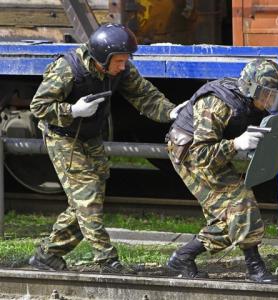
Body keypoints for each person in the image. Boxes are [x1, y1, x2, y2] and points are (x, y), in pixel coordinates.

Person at [29, 23, 183, 273]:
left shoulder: (118, 68)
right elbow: (39, 107)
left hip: (91, 136)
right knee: (87, 199)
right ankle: (107, 261)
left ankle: (48, 254)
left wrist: (171, 111)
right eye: (120, 61)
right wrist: (72, 110)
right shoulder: (67, 70)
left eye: (125, 60)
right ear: (102, 59)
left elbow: (145, 95)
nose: (124, 66)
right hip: (64, 137)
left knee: (89, 200)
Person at [166, 59, 278, 283]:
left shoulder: (252, 102)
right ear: (252, 89)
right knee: (242, 203)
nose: (271, 100)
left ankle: (183, 257)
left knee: (226, 222)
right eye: (267, 94)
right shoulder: (216, 104)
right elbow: (201, 155)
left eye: (276, 95)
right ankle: (254, 266)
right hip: (190, 154)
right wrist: (237, 144)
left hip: (210, 151)